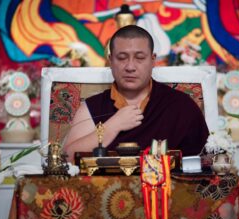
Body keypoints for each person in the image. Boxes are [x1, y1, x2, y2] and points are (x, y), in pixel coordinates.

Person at [64, 25, 209, 159]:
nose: (130, 67)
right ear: (111, 61)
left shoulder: (180, 105)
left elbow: (203, 163)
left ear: (153, 60)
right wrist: (112, 126)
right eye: (121, 58)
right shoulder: (93, 107)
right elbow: (67, 158)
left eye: (139, 58)